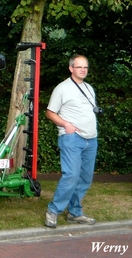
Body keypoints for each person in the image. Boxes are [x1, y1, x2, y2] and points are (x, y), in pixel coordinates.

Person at [45, 54, 99, 228]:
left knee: (85, 178)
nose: (83, 70)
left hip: (91, 139)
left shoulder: (89, 88)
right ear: (71, 68)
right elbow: (50, 112)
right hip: (72, 138)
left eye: (85, 67)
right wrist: (66, 124)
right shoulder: (62, 88)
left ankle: (75, 212)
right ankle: (53, 210)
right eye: (79, 67)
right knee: (71, 176)